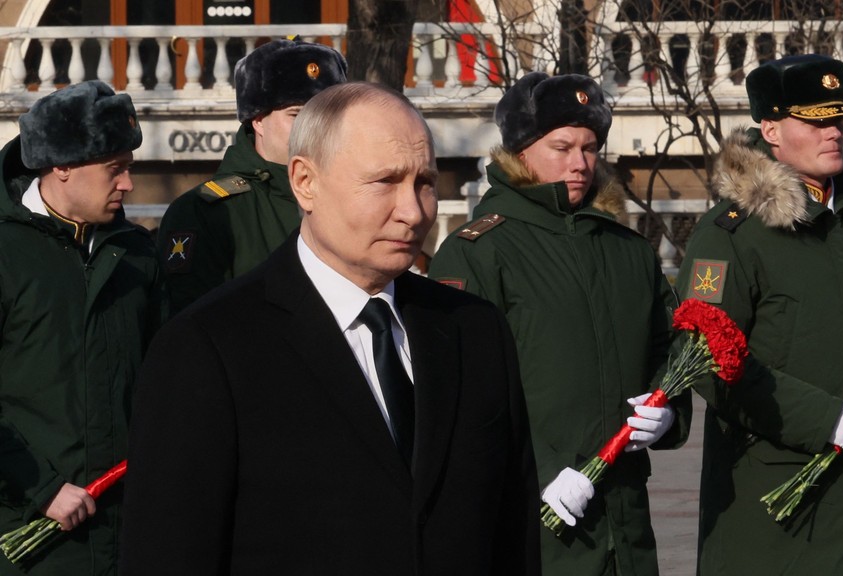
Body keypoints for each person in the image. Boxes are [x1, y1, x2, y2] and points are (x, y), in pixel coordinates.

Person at [120, 82, 541, 576]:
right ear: (305, 182)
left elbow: (512, 537)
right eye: (384, 181)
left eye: (425, 182)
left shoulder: (475, 330)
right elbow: (167, 554)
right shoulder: (207, 347)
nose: (413, 211)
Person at [429, 72, 692, 576]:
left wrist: (668, 412)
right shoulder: (479, 252)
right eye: (562, 147)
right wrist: (542, 472)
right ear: (521, 150)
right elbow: (461, 392)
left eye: (590, 148)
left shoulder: (628, 252)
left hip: (627, 525)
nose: (580, 163)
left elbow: (668, 348)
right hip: (531, 523)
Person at [675, 54, 843, 575]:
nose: (834, 132)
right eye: (815, 120)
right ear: (770, 129)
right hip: (780, 510)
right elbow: (706, 361)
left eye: (838, 118)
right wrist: (824, 419)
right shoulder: (730, 234)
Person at [0, 80, 160, 575]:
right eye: (115, 168)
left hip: (131, 535)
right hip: (30, 541)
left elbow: (165, 379)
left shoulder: (137, 253)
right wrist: (41, 490)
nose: (128, 184)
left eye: (129, 167)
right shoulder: (6, 252)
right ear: (62, 165)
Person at [158, 38, 347, 316]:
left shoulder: (352, 197)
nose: (313, 128)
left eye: (325, 116)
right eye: (296, 114)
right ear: (258, 119)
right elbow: (192, 326)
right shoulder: (205, 212)